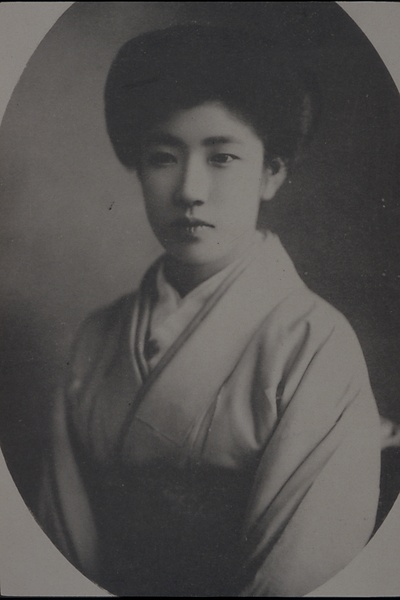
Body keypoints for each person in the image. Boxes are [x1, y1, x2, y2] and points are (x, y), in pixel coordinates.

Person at [38, 24, 381, 597]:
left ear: (272, 172)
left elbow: (299, 571)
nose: (189, 190)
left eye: (222, 157)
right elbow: (60, 547)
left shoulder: (314, 344)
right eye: (162, 157)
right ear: (137, 167)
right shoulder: (97, 339)